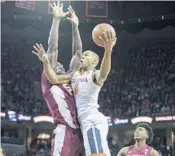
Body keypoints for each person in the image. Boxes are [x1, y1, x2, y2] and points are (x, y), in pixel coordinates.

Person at [32, 23, 116, 156]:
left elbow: (103, 73)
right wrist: (46, 62)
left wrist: (108, 51)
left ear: (94, 62)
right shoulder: (71, 76)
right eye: (84, 55)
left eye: (87, 55)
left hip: (91, 119)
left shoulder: (92, 76)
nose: (83, 56)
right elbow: (54, 76)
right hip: (76, 127)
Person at [33, 2, 84, 156]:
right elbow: (53, 48)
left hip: (80, 133)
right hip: (65, 131)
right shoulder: (48, 80)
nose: (60, 65)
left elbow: (78, 53)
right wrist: (56, 20)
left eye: (62, 65)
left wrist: (75, 27)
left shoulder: (70, 77)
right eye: (57, 65)